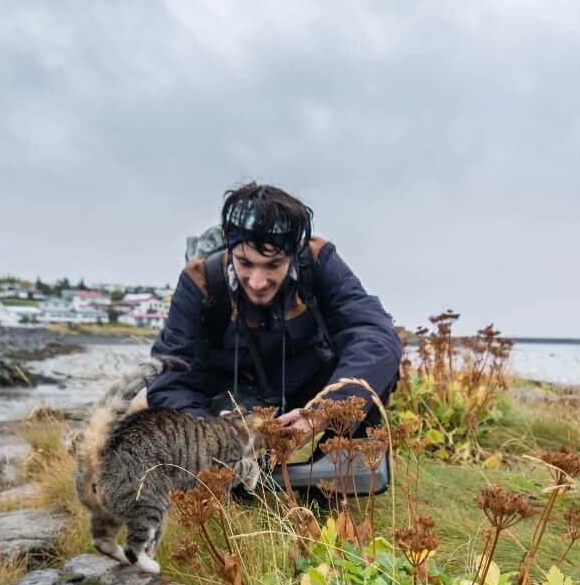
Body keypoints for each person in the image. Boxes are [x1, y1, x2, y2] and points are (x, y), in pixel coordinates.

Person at [147, 183, 402, 438]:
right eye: (245, 263)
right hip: (231, 402)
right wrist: (208, 433)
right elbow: (170, 381)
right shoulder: (199, 280)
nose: (257, 282)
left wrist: (326, 411)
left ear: (292, 254)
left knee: (373, 375)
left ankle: (345, 469)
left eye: (273, 264)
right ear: (230, 250)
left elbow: (375, 337)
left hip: (306, 388)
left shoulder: (319, 260)